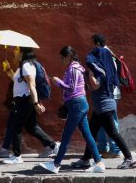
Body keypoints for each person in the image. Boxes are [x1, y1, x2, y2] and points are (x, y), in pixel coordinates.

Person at [71, 34, 136, 170]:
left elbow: (95, 85)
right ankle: (85, 159)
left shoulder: (101, 70)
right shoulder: (105, 63)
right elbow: (92, 87)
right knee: (92, 132)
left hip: (104, 105)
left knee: (112, 132)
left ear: (96, 44)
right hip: (100, 105)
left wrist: (89, 71)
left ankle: (129, 158)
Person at [39, 46, 105, 174]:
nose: (61, 60)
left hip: (77, 105)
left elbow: (71, 88)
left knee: (66, 136)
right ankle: (99, 163)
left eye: (62, 58)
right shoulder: (74, 68)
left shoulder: (73, 69)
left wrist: (58, 82)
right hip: (79, 104)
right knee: (88, 136)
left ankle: (56, 164)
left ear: (69, 56)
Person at [0, 46, 60, 164]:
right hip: (24, 99)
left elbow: (32, 85)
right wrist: (8, 70)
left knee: (16, 127)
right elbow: (18, 81)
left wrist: (36, 102)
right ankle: (53, 145)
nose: (14, 52)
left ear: (22, 53)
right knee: (32, 127)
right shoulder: (23, 65)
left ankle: (17, 156)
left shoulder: (27, 66)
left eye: (16, 50)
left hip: (24, 100)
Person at [96, 42, 122, 158]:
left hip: (110, 95)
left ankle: (115, 149)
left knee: (112, 122)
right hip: (108, 94)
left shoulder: (106, 58)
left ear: (97, 44)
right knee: (102, 121)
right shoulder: (110, 55)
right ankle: (102, 147)